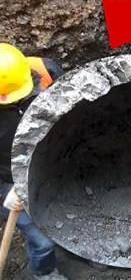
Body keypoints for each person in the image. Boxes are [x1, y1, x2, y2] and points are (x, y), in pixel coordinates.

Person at [0, 43, 66, 279]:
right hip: (9, 180)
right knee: (42, 241)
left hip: (49, 159)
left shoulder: (45, 70)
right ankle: (44, 273)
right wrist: (6, 191)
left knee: (62, 212)